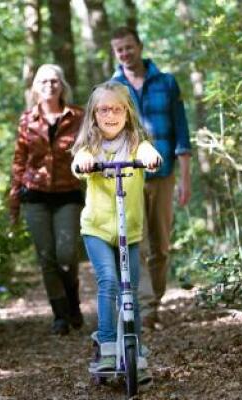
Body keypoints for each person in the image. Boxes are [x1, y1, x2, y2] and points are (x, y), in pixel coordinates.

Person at [71, 81, 161, 383]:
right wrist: (84, 163)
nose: (110, 114)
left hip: (130, 232)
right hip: (97, 229)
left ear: (127, 112)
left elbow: (149, 152)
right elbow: (78, 161)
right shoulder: (90, 146)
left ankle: (135, 346)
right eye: (104, 109)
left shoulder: (137, 143)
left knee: (131, 289)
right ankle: (108, 344)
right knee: (109, 282)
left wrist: (151, 157)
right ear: (94, 114)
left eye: (117, 108)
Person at [110, 27, 192, 330]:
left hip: (164, 173)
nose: (125, 53)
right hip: (128, 177)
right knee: (136, 243)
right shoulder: (113, 88)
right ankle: (145, 309)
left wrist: (186, 178)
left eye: (129, 47)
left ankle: (153, 303)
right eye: (119, 49)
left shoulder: (166, 82)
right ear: (115, 53)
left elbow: (182, 132)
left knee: (161, 246)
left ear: (140, 46)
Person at [9, 64, 85, 335]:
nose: (49, 86)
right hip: (35, 195)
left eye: (54, 81)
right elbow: (19, 161)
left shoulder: (78, 117)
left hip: (68, 194)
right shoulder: (27, 119)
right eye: (43, 81)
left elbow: (91, 150)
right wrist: (14, 201)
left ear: (62, 85)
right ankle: (60, 315)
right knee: (47, 258)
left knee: (66, 255)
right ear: (35, 88)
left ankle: (73, 301)